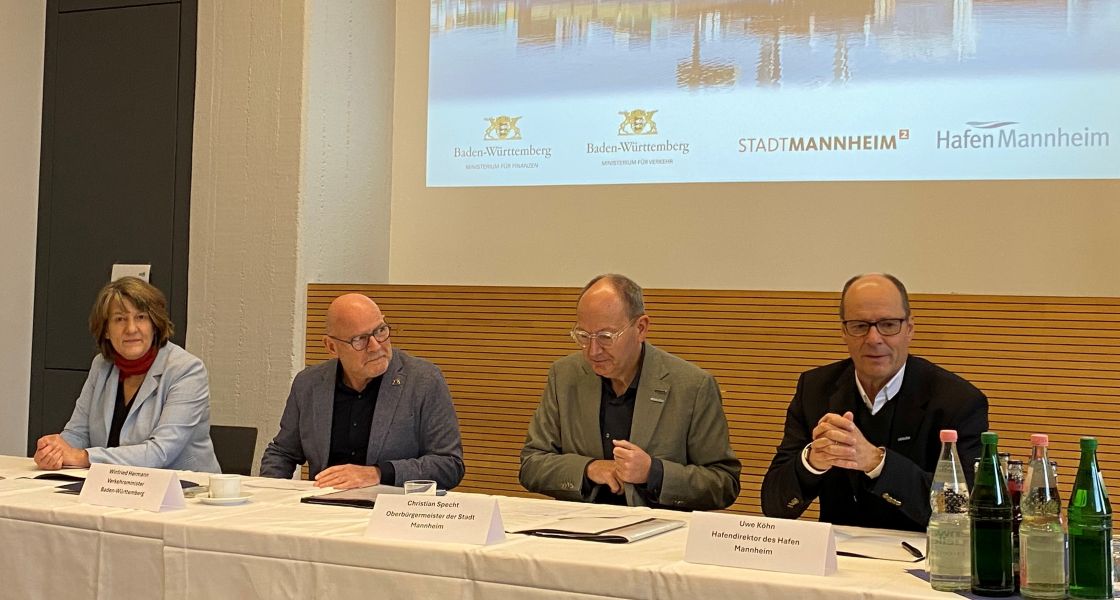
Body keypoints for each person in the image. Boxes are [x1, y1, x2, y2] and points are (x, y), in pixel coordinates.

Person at [761, 273, 988, 531]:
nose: (873, 339)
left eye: (888, 325)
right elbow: (774, 507)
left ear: (909, 329)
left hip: (922, 550)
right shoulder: (815, 390)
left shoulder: (958, 401)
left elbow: (963, 509)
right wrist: (812, 462)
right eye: (859, 326)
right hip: (838, 551)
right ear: (844, 331)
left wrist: (876, 461)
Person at [520, 274, 741, 511]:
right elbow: (532, 464)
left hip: (660, 529)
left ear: (641, 328)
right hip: (578, 526)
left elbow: (723, 483)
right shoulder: (564, 376)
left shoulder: (693, 387)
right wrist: (589, 469)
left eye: (605, 337)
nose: (593, 351)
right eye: (583, 336)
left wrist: (654, 473)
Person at [259, 293, 464, 490]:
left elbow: (449, 465)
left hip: (391, 507)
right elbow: (282, 453)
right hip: (322, 505)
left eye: (380, 331)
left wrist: (378, 473)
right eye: (360, 339)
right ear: (331, 347)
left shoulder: (423, 381)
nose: (375, 346)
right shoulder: (309, 384)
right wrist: (268, 496)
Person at [33, 277, 220, 472]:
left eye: (141, 317)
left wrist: (83, 457)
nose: (131, 329)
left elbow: (160, 452)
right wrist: (53, 452)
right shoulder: (102, 366)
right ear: (106, 330)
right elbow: (78, 434)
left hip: (183, 487)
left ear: (154, 325)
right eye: (120, 319)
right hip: (115, 484)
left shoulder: (187, 370)